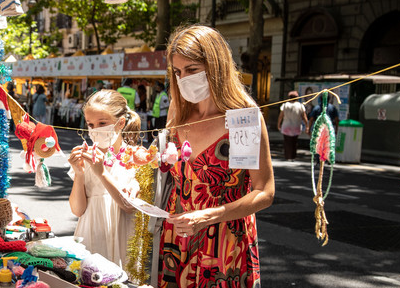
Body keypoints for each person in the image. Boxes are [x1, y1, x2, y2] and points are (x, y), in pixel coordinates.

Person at [158, 25, 275, 287]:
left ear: (215, 66)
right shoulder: (177, 114)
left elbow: (264, 192)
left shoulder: (243, 118)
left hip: (226, 245)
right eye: (177, 72)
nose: (183, 78)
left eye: (192, 70)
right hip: (177, 243)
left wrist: (209, 216)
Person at [68, 89, 141, 267]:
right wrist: (79, 173)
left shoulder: (136, 157)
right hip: (91, 235)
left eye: (102, 123)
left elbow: (128, 206)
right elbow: (78, 210)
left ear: (120, 123)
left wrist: (101, 172)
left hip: (123, 235)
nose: (95, 130)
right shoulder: (86, 155)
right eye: (91, 125)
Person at [278, 91, 308, 161]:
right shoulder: (300, 106)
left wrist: (278, 124)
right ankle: (293, 156)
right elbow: (304, 117)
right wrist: (307, 125)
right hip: (296, 127)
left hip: (286, 126)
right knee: (294, 142)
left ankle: (287, 155)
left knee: (287, 142)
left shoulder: (285, 105)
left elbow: (280, 116)